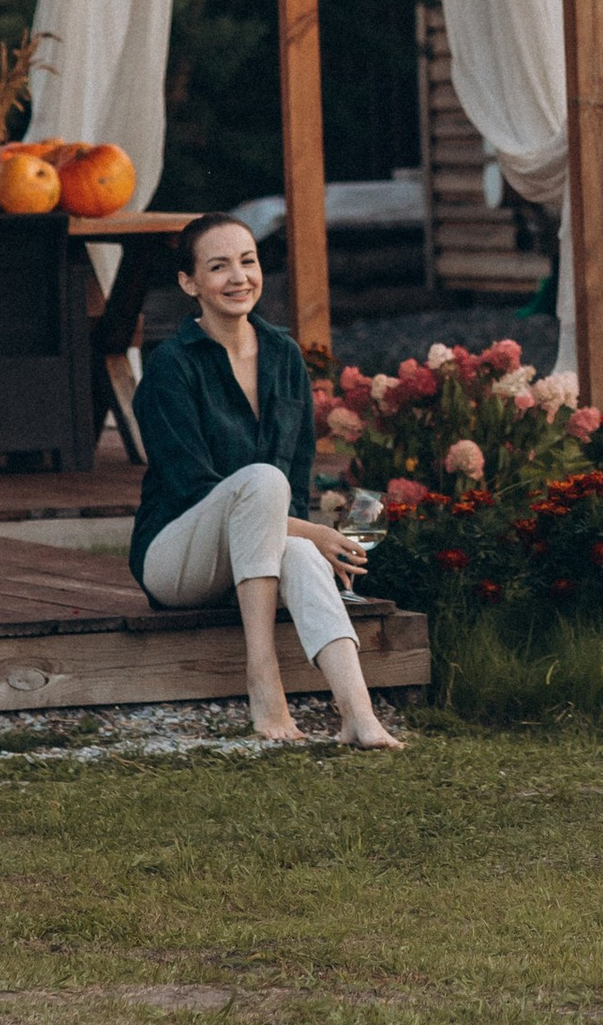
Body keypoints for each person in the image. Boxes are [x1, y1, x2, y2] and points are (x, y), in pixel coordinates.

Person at [131, 212, 408, 750]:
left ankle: (359, 714)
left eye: (248, 261)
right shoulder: (170, 366)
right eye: (218, 267)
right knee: (261, 482)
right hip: (177, 557)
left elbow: (295, 478)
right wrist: (314, 530)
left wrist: (308, 537)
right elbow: (192, 488)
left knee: (301, 552)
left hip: (256, 550)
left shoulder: (283, 356)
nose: (238, 278)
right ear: (190, 283)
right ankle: (264, 680)